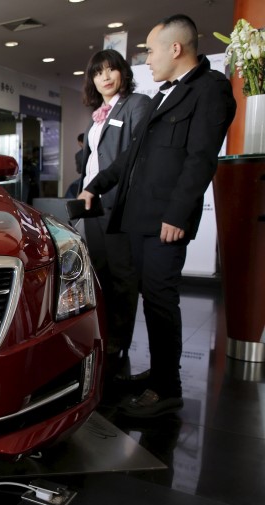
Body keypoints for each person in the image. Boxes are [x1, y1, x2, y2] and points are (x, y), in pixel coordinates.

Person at [78, 14, 236, 418]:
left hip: (166, 219)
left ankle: (168, 388)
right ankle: (159, 373)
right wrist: (94, 186)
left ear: (175, 48)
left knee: (162, 300)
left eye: (150, 49)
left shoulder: (210, 89)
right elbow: (130, 158)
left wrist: (178, 214)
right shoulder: (166, 93)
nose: (147, 58)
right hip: (141, 217)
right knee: (151, 298)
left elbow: (201, 158)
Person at [78, 48, 150, 399]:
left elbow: (133, 157)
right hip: (93, 204)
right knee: (100, 273)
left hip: (118, 203)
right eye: (98, 73)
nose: (105, 77)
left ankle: (119, 343)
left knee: (123, 277)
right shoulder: (97, 115)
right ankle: (105, 338)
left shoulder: (136, 104)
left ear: (122, 73)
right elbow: (93, 159)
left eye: (111, 70)